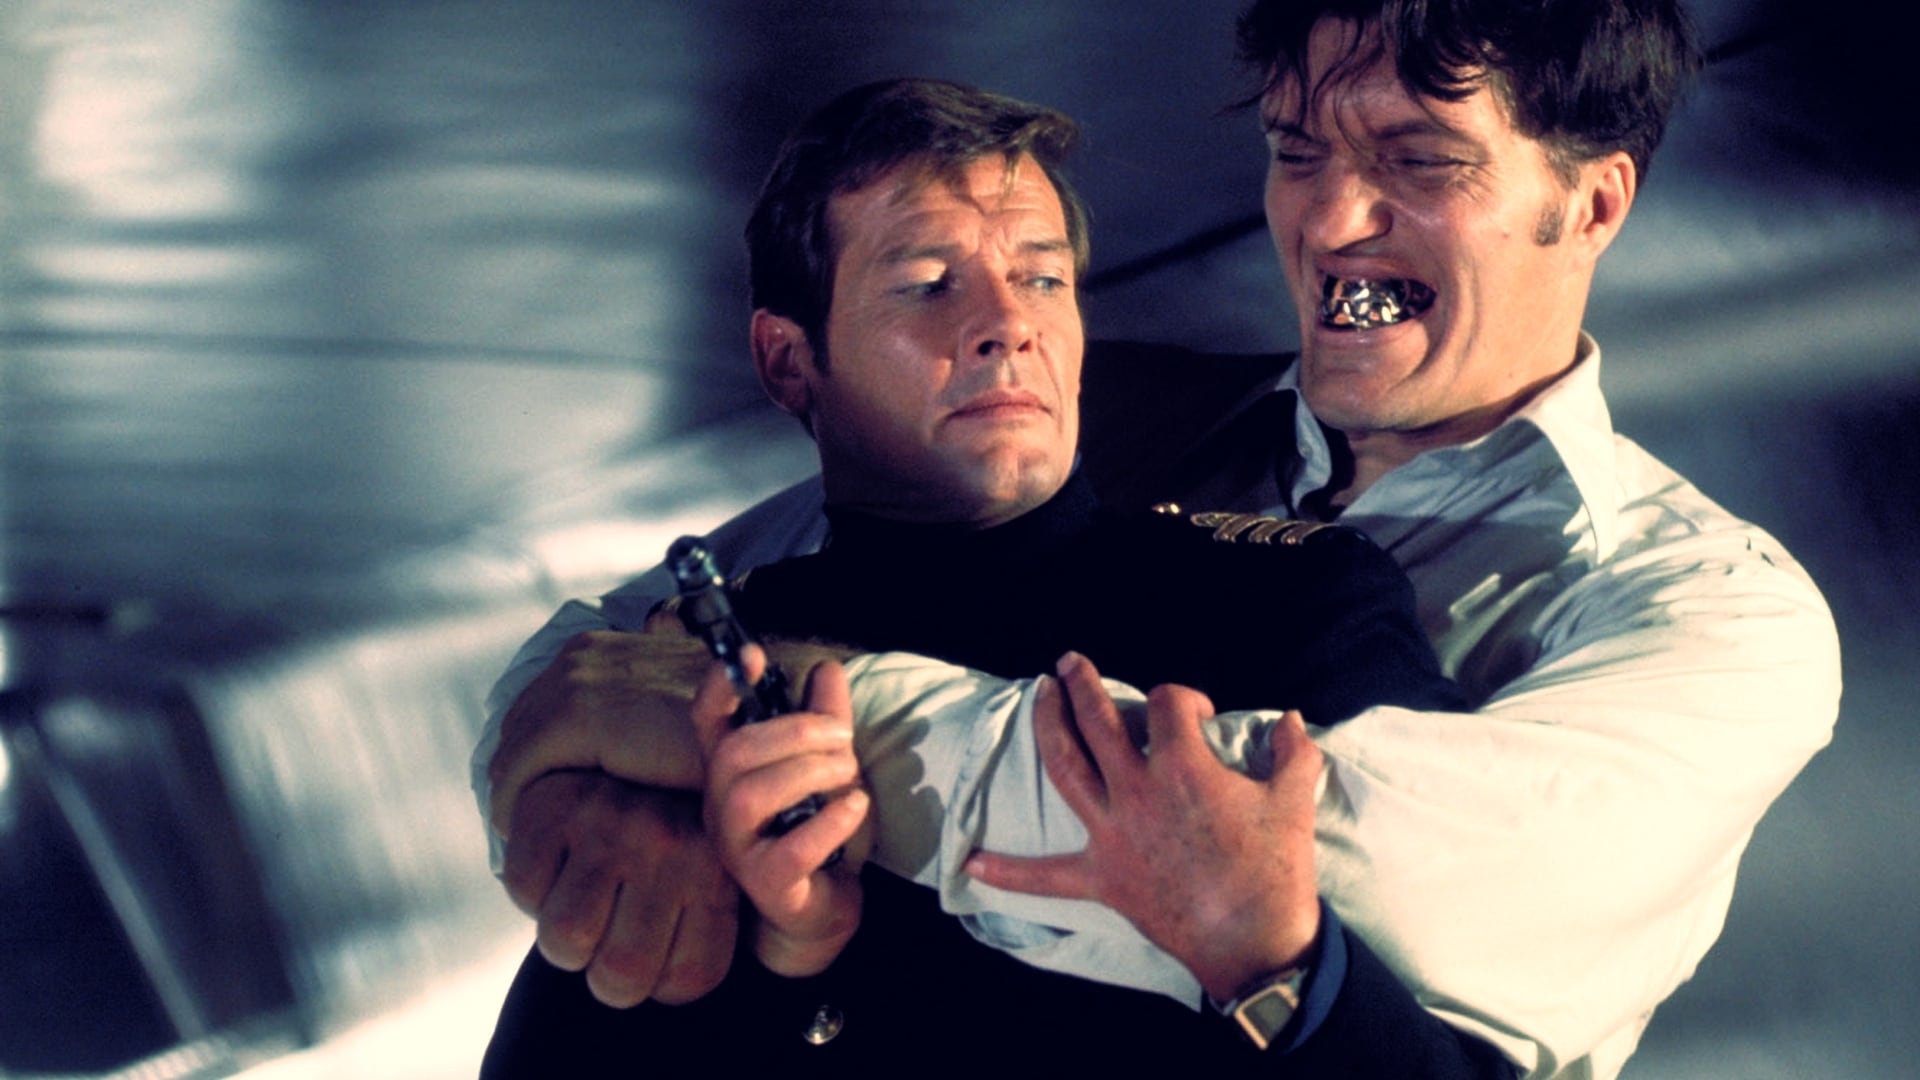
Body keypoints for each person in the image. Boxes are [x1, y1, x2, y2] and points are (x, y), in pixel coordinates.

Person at [476, 1, 1842, 1076]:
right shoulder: (1083, 414)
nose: (1329, 219)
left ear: (1593, 203)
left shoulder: (1719, 615)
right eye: (1297, 152)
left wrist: (752, 733)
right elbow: (622, 642)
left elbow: (1354, 875)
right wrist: (572, 788)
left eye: (1419, 159)